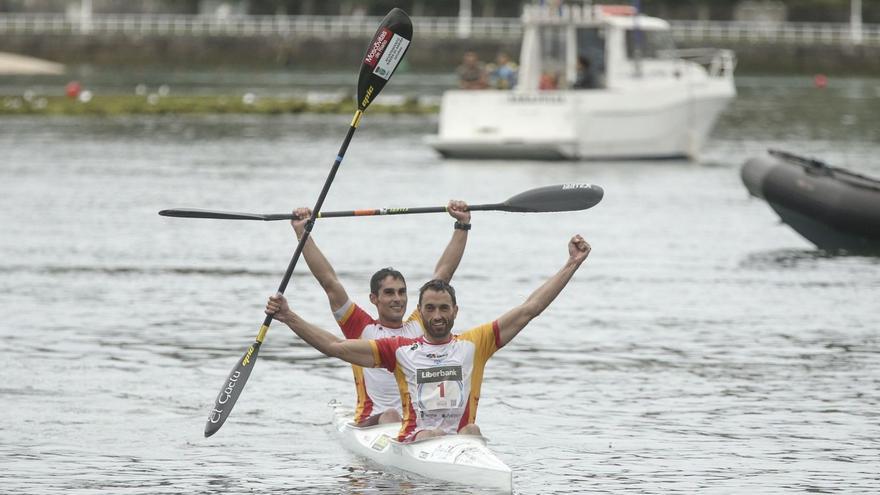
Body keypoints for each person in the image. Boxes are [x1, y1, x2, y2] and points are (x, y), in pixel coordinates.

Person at [266, 234, 591, 442]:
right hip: (410, 436)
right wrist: (289, 316)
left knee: (472, 431)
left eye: (443, 309)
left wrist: (571, 264)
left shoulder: (474, 343)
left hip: (460, 440)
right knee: (404, 420)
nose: (437, 316)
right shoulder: (398, 349)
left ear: (455, 311)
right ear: (422, 311)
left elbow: (529, 309)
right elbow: (335, 344)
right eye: (430, 309)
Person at [289, 200, 472, 427]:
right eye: (389, 293)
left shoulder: (420, 323)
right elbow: (329, 281)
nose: (397, 299)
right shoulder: (360, 327)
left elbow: (443, 276)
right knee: (392, 415)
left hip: (414, 425)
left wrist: (462, 225)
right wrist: (302, 232)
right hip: (372, 423)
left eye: (402, 292)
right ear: (374, 299)